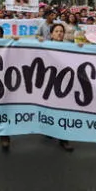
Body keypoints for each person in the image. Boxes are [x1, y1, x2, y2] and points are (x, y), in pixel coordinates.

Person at [41, 23, 75, 152]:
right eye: (56, 31)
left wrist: (82, 48)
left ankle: (63, 139)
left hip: (65, 83)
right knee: (49, 108)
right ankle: (49, 128)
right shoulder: (44, 46)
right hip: (49, 83)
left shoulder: (70, 46)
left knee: (63, 110)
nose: (59, 33)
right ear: (51, 34)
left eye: (61, 31)